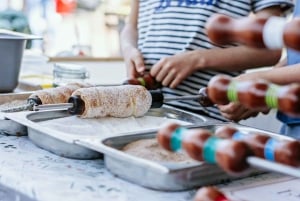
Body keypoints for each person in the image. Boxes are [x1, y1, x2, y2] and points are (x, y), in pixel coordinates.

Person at [121, 0, 293, 121]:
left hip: (206, 115)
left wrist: (197, 59)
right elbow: (131, 27)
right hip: (141, 107)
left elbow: (271, 51)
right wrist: (129, 49)